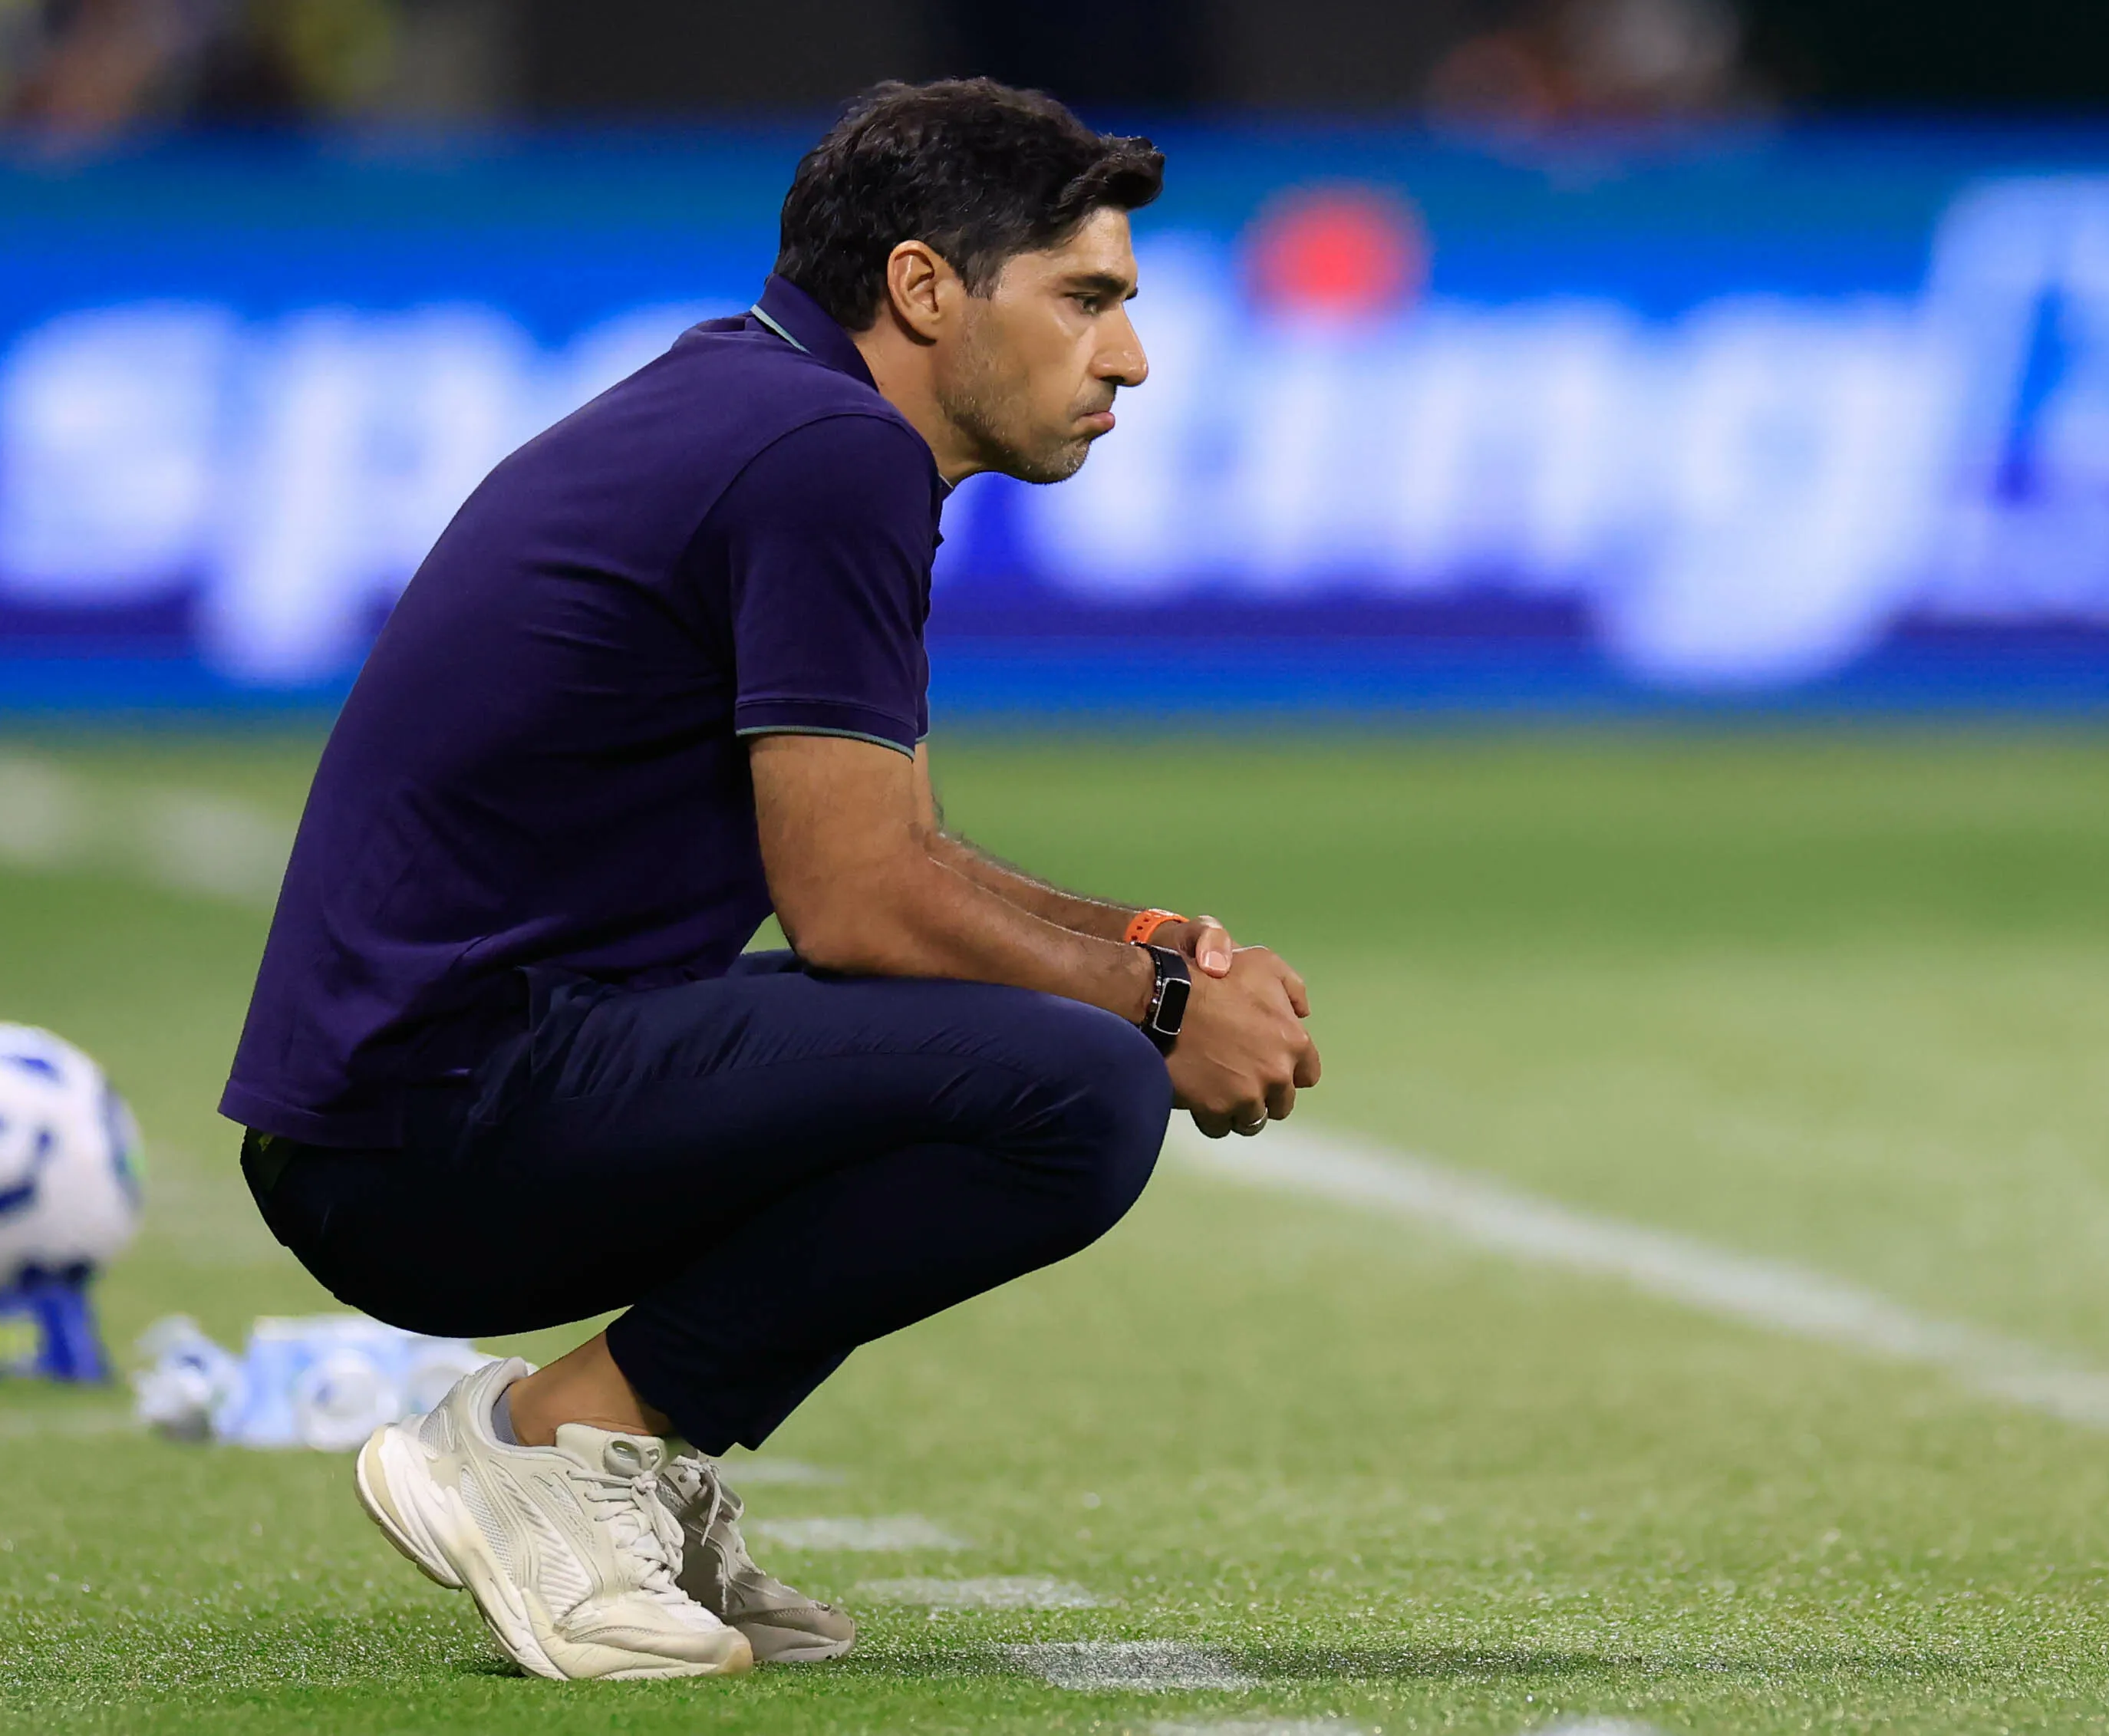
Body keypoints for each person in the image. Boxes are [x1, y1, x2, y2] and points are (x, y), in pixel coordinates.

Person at [221, 77, 1323, 1684]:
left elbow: (901, 860)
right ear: (925, 287)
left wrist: (1154, 944)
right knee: (1076, 1091)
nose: (1129, 357)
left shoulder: (771, 407)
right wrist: (1155, 1007)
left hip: (441, 1089)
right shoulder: (827, 453)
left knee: (1054, 1040)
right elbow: (859, 911)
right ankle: (550, 1446)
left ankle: (602, 1458)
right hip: (431, 1125)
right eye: (1085, 300)